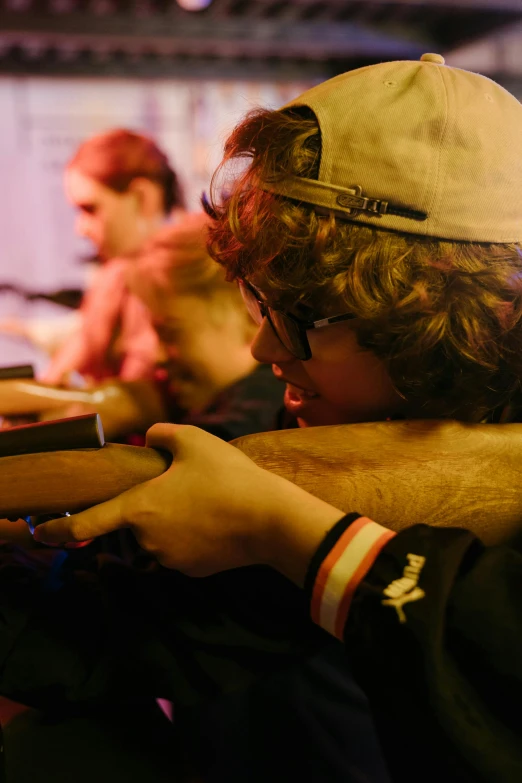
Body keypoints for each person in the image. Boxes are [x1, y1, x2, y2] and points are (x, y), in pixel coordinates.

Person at [33, 51, 522, 783]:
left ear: (427, 315)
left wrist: (284, 530)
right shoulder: (387, 445)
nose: (263, 345)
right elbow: (150, 626)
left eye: (299, 317)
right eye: (261, 303)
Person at [42, 128, 185, 385]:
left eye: (90, 209)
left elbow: (140, 396)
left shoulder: (184, 275)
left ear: (144, 198)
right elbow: (58, 374)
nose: (80, 229)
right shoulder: (116, 275)